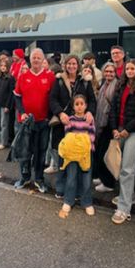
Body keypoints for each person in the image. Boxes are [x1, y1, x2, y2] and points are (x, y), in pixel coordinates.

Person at [108, 58, 135, 225]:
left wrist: (127, 129)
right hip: (119, 130)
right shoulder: (121, 85)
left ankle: (124, 209)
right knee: (117, 164)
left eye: (133, 69)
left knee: (127, 169)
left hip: (134, 132)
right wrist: (114, 128)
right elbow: (113, 109)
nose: (130, 71)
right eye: (128, 69)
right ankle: (129, 196)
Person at [48, 55, 97, 190]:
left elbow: (92, 100)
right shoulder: (59, 80)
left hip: (80, 126)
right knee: (62, 156)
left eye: (74, 63)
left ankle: (76, 189)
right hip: (63, 124)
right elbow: (52, 99)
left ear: (78, 65)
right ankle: (61, 188)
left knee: (79, 157)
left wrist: (90, 112)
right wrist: (60, 113)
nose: (71, 66)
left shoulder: (84, 82)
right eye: (69, 63)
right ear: (65, 65)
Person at [13, 48, 56, 193]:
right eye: (34, 57)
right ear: (30, 59)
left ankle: (39, 179)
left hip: (43, 122)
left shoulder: (50, 77)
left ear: (43, 60)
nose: (36, 60)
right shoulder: (23, 76)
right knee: (25, 151)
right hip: (27, 123)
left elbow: (53, 98)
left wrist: (49, 116)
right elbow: (17, 96)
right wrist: (22, 113)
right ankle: (24, 177)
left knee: (41, 152)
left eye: (39, 57)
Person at [58, 94, 97, 218]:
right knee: (71, 177)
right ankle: (68, 200)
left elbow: (92, 136)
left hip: (86, 154)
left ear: (86, 106)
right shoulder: (70, 120)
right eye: (77, 104)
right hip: (72, 154)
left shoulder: (89, 119)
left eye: (82, 104)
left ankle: (87, 202)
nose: (79, 106)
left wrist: (79, 140)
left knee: (86, 179)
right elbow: (67, 137)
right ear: (73, 106)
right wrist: (81, 139)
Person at [92, 62, 119, 193]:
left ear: (115, 73)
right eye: (106, 71)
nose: (108, 74)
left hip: (109, 124)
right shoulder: (104, 84)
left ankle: (108, 182)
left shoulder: (117, 86)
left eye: (111, 72)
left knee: (105, 155)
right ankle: (103, 178)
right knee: (99, 153)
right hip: (101, 123)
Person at [0, 59, 15, 150]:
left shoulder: (10, 79)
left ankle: (3, 142)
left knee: (3, 124)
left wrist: (8, 106)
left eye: (4, 66)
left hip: (4, 105)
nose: (3, 67)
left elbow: (11, 94)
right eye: (1, 66)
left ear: (8, 67)